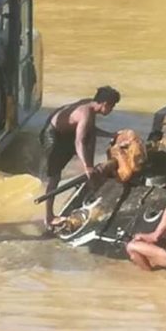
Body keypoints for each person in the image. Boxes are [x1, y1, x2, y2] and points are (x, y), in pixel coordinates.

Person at [40, 86, 121, 228]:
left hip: (66, 131)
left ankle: (91, 178)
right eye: (112, 107)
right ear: (105, 104)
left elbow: (90, 131)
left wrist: (111, 135)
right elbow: (79, 141)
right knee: (55, 177)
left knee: (90, 137)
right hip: (52, 134)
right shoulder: (86, 113)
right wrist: (87, 166)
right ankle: (49, 217)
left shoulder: (91, 105)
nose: (111, 110)